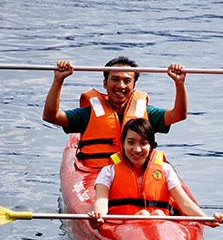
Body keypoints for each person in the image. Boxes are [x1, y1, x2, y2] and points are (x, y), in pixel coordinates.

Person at [43, 56, 188, 167]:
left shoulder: (145, 112)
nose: (121, 85)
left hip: (135, 173)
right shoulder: (88, 114)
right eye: (115, 79)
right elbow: (51, 116)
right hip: (96, 174)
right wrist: (58, 80)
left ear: (133, 85)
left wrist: (179, 83)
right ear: (105, 84)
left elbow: (179, 115)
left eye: (127, 81)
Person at [88, 118, 223, 229]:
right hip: (123, 229)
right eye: (131, 142)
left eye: (143, 143)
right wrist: (98, 216)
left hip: (160, 230)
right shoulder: (108, 172)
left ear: (151, 146)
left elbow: (184, 202)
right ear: (122, 144)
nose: (137, 149)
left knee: (158, 214)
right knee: (143, 214)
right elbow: (101, 200)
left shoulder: (165, 169)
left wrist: (207, 219)